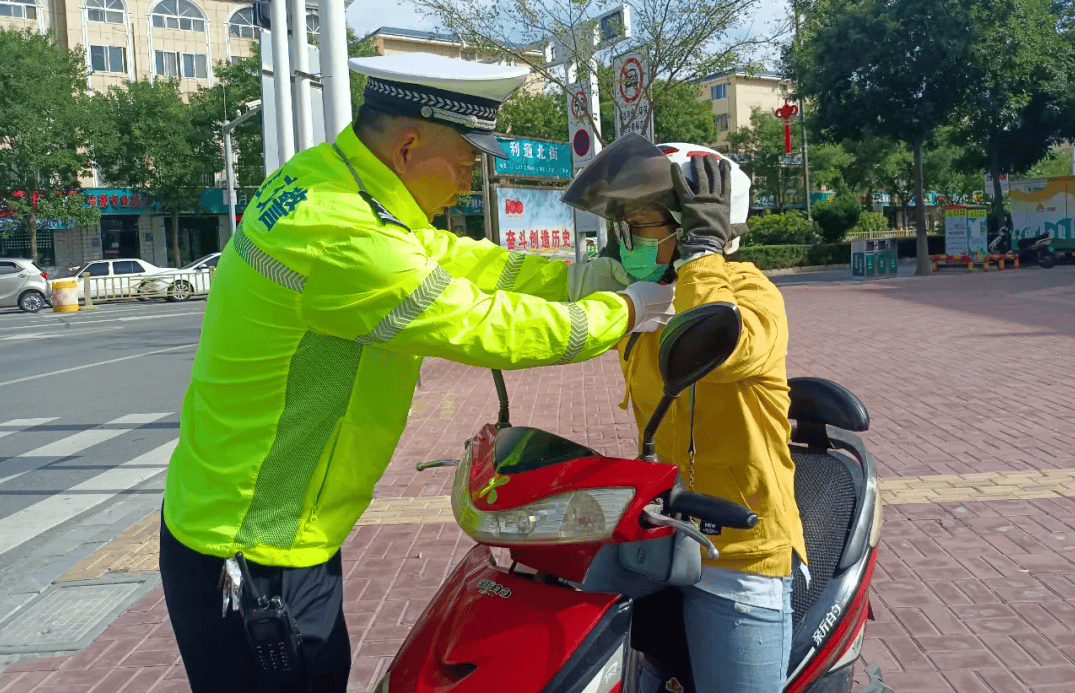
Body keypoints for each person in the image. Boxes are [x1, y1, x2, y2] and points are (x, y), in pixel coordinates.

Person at [159, 54, 673, 693]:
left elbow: (461, 261)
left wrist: (584, 278)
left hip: (260, 525)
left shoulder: (334, 182)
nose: (467, 182)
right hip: (250, 547)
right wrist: (622, 312)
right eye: (464, 162)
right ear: (407, 145)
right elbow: (480, 324)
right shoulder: (345, 235)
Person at [562, 133, 808, 692]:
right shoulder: (650, 296)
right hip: (662, 528)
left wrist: (702, 256)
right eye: (623, 225)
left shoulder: (751, 292)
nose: (628, 239)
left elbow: (726, 350)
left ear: (694, 223)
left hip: (738, 548)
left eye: (641, 223)